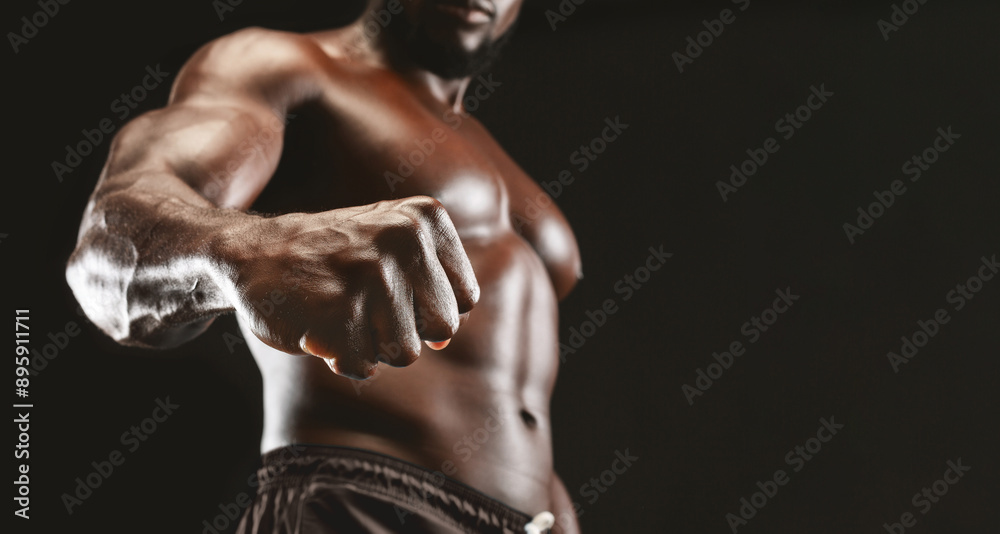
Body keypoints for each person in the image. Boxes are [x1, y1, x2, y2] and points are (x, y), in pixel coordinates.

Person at [65, 0, 582, 532]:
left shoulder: (493, 154)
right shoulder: (284, 65)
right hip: (356, 503)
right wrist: (255, 253)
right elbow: (110, 241)